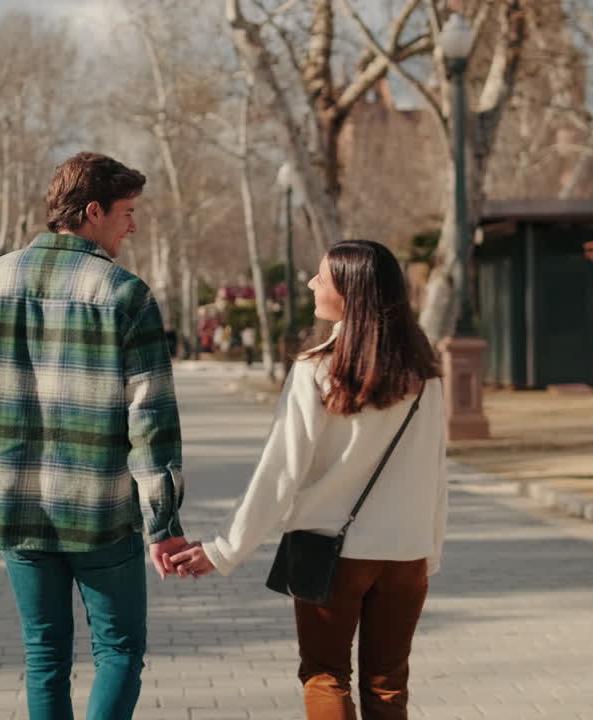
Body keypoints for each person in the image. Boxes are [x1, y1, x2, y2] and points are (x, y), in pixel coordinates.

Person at [0, 151, 187, 720]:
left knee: (44, 654)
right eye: (126, 212)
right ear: (92, 211)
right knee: (121, 650)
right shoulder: (125, 294)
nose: (133, 225)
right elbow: (150, 419)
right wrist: (163, 523)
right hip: (100, 511)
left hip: (13, 505)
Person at [172, 240, 447, 720]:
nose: (311, 283)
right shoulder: (423, 371)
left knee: (325, 675)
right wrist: (431, 549)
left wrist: (224, 550)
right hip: (406, 554)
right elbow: (435, 469)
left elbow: (280, 471)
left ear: (351, 291)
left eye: (323, 276)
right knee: (388, 685)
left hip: (328, 552)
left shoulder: (318, 367)